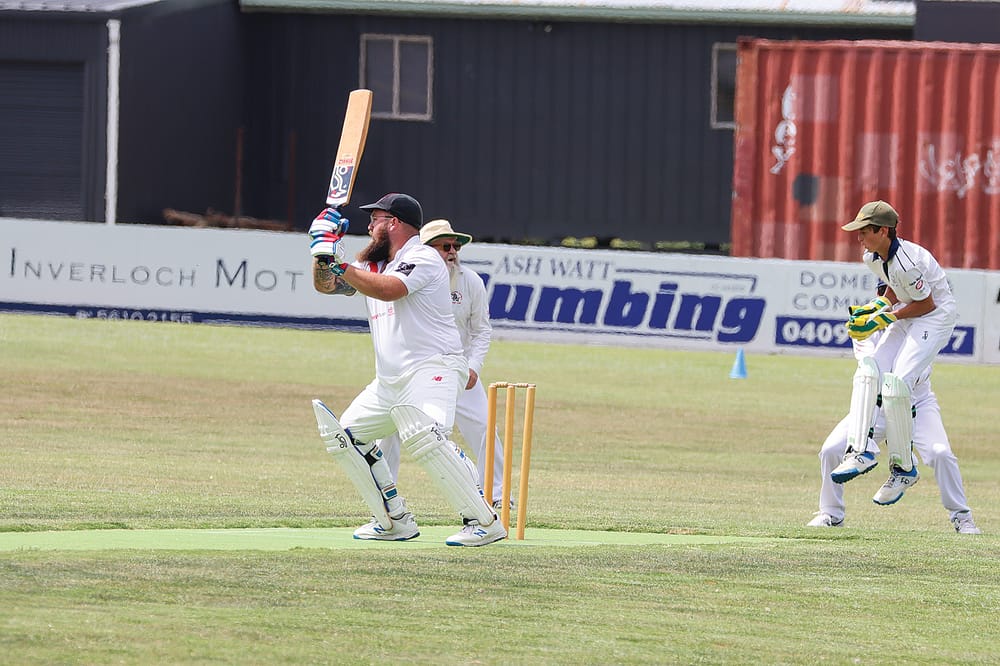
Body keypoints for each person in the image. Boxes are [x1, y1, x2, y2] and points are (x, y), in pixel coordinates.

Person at [307, 193, 506, 547]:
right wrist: (322, 252)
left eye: (376, 220)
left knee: (425, 435)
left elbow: (390, 291)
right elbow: (324, 287)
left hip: (434, 367)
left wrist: (337, 262)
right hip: (390, 380)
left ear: (394, 223)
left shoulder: (423, 257)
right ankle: (394, 519)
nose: (369, 226)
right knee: (347, 438)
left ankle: (485, 520)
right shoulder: (372, 264)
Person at [830, 200, 960, 507]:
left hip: (935, 316)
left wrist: (886, 318)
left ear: (883, 231)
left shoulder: (907, 261)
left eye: (864, 231)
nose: (858, 237)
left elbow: (927, 304)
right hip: (910, 309)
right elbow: (890, 288)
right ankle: (860, 450)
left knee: (897, 382)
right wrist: (876, 308)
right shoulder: (871, 257)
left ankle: (903, 468)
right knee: (870, 369)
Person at [807, 316, 981, 534]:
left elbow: (913, 371)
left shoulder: (925, 323)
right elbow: (872, 370)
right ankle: (831, 514)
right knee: (831, 450)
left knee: (941, 454)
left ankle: (962, 517)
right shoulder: (866, 323)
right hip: (874, 406)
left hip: (918, 403)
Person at [379, 219, 507, 507]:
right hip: (416, 369)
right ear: (425, 249)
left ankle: (497, 495)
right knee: (389, 431)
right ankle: (386, 499)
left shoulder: (470, 280)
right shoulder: (409, 275)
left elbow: (481, 330)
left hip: (458, 369)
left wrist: (474, 366)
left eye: (455, 246)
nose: (452, 252)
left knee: (485, 426)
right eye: (445, 246)